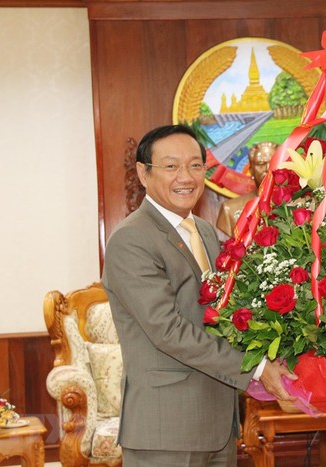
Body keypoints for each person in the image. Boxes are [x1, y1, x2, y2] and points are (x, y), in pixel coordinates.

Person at [101, 124, 295, 467]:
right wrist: (258, 368)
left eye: (195, 165)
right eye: (171, 166)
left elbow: (228, 314)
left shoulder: (205, 231)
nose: (186, 177)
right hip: (166, 432)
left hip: (218, 425)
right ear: (143, 174)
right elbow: (168, 331)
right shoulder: (131, 239)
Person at [215, 141, 277, 238]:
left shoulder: (299, 205)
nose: (268, 169)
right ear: (251, 170)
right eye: (261, 164)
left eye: (274, 163)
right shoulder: (230, 209)